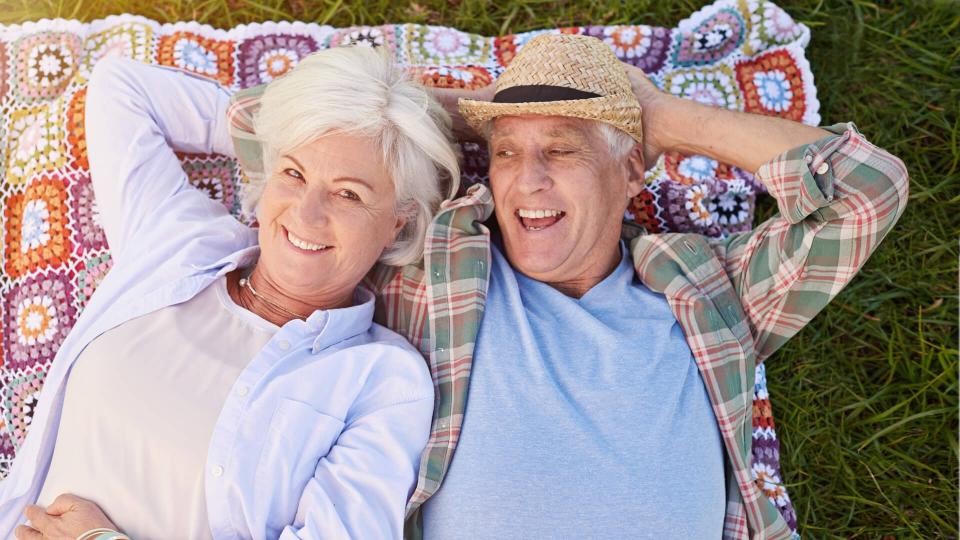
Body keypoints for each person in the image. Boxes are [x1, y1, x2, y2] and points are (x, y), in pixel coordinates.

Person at [232, 34, 908, 538]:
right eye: (506, 156)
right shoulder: (431, 261)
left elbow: (868, 191)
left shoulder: (708, 292)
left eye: (561, 151)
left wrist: (664, 120)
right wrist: (484, 115)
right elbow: (264, 120)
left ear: (633, 174)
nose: (527, 182)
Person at [0, 45, 461, 540]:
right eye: (293, 173)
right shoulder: (178, 241)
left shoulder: (381, 381)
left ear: (399, 221)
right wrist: (335, 112)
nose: (305, 215)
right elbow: (121, 88)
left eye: (349, 193)